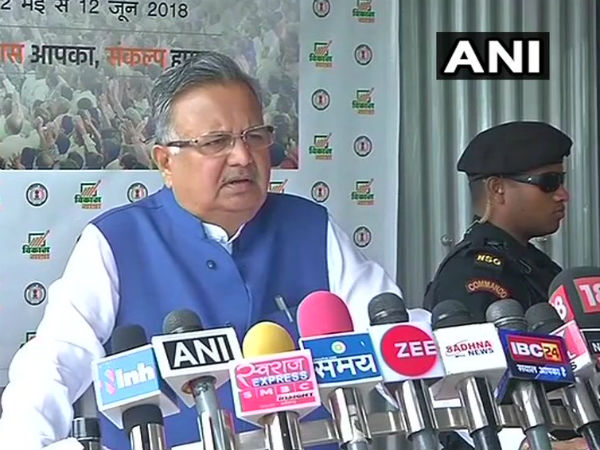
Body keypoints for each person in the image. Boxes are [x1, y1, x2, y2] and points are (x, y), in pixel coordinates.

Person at [0, 51, 426, 450]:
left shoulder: (312, 227)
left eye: (254, 136)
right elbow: (53, 362)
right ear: (166, 162)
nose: (242, 156)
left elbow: (391, 334)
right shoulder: (115, 240)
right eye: (216, 142)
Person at [424, 121, 571, 321]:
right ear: (497, 188)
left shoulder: (533, 263)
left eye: (561, 181)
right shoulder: (473, 274)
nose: (563, 195)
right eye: (550, 182)